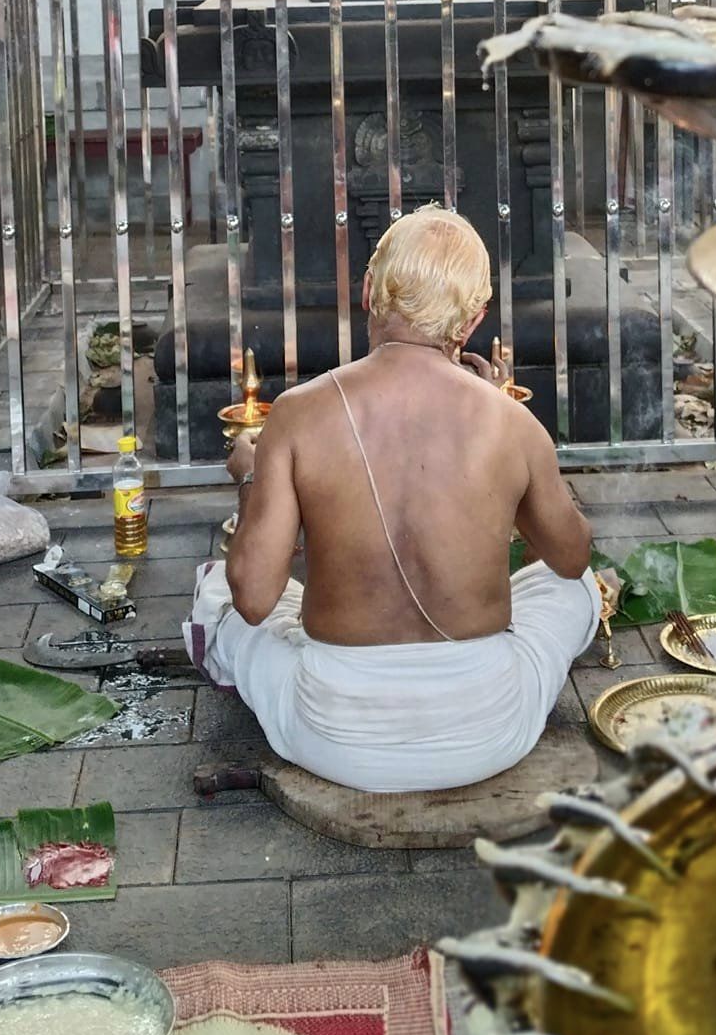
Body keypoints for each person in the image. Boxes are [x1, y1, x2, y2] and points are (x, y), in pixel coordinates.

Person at [185, 206, 600, 794]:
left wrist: (252, 478)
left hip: (333, 735)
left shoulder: (298, 414)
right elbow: (573, 556)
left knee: (218, 592)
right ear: (474, 319)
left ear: (366, 293)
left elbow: (254, 599)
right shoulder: (513, 423)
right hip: (488, 730)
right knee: (576, 589)